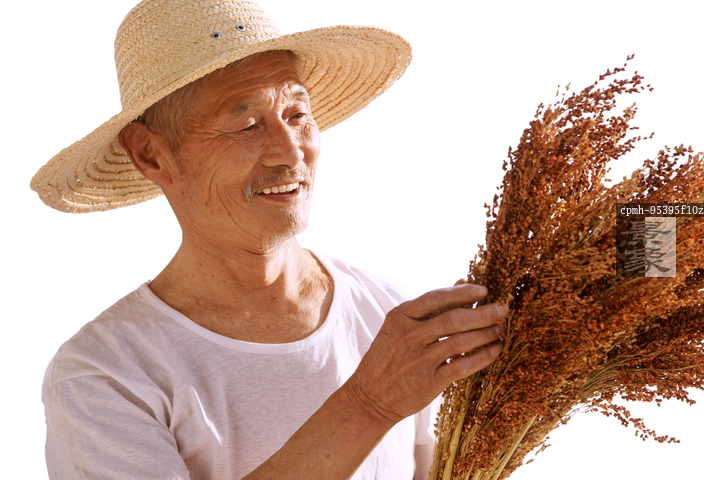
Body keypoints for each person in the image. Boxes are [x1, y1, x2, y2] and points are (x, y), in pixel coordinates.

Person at [32, 0, 507, 478]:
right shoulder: (106, 373)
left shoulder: (389, 314)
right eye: (247, 125)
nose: (290, 153)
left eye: (297, 114)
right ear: (151, 154)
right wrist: (369, 403)